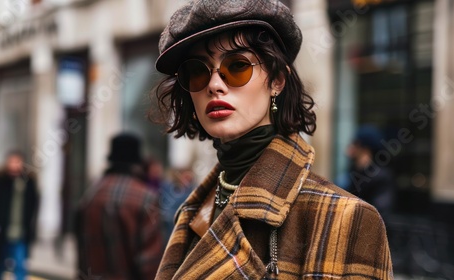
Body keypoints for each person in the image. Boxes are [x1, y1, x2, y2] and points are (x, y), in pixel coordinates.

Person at [150, 0, 393, 279]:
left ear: (277, 80)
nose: (214, 84)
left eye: (237, 66)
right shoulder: (192, 212)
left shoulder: (347, 219)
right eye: (197, 71)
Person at [75, 133, 163, 279]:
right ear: (137, 163)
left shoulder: (90, 196)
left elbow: (82, 258)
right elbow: (150, 262)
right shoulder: (146, 198)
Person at [0, 151, 39, 280]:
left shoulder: (28, 182)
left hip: (20, 233)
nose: (15, 165)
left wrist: (32, 230)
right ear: (7, 163)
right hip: (2, 233)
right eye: (12, 162)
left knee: (20, 267)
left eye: (18, 162)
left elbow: (33, 208)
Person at [345, 124, 396, 222]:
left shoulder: (381, 177)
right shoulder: (353, 171)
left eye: (355, 143)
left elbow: (379, 213)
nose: (350, 148)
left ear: (365, 148)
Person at [159, 168, 196, 246]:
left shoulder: (192, 189)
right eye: (185, 175)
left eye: (189, 174)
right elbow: (164, 207)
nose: (188, 177)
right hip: (170, 225)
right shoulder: (168, 188)